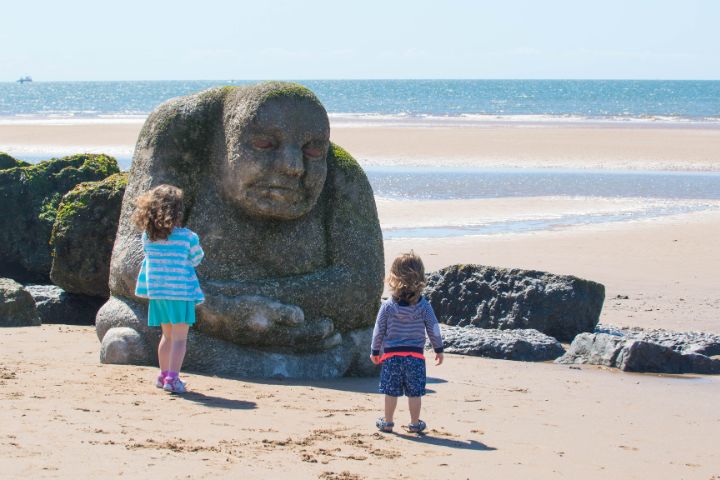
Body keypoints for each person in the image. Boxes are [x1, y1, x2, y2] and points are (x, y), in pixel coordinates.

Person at [133, 184, 204, 393]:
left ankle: (163, 374)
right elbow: (197, 259)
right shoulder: (187, 237)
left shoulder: (148, 237)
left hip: (158, 292)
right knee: (180, 338)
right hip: (180, 293)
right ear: (177, 211)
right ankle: (173, 379)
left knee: (167, 336)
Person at [370, 252, 444, 434]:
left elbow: (379, 329)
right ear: (420, 277)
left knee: (390, 391)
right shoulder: (423, 305)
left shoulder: (388, 306)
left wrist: (375, 350)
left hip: (392, 356)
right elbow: (433, 327)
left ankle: (387, 422)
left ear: (393, 277)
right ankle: (414, 423)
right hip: (415, 357)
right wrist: (438, 348)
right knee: (414, 392)